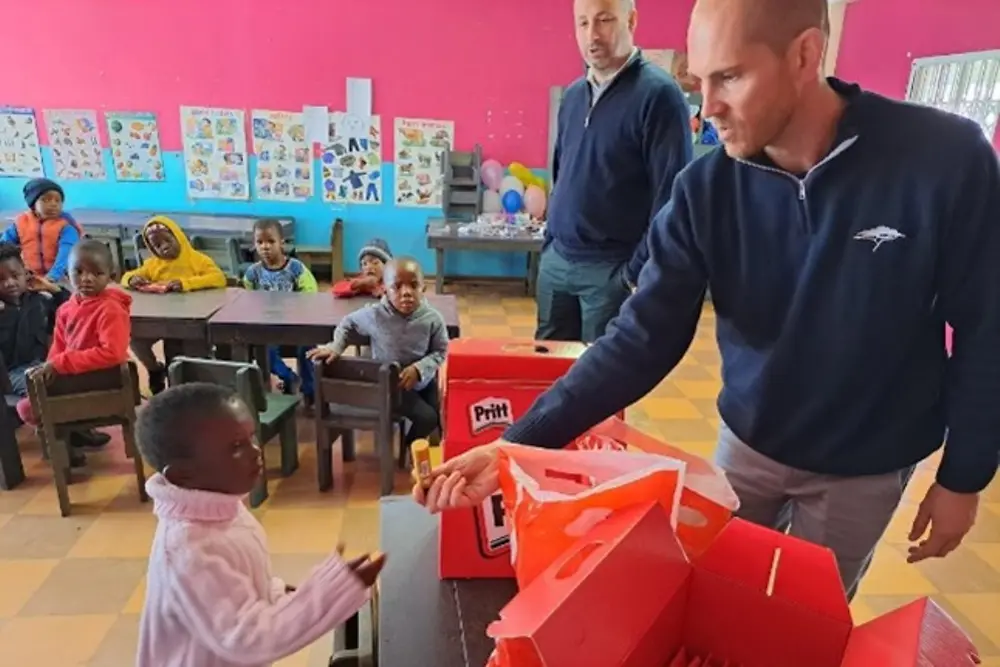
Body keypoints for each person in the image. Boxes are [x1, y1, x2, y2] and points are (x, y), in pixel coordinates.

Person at [414, 0, 1000, 601]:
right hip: (748, 444)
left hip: (864, 466)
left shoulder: (943, 160)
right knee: (715, 598)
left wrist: (964, 476)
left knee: (801, 620)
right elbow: (642, 338)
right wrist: (519, 443)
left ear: (804, 54)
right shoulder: (705, 189)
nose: (707, 107)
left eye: (731, 77)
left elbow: (986, 327)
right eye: (701, 80)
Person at [135, 383, 385, 667]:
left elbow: (245, 584)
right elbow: (247, 639)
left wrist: (291, 593)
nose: (256, 452)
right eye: (236, 447)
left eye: (252, 438)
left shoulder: (221, 508)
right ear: (184, 475)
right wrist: (326, 595)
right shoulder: (188, 549)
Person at [537, 0, 692, 342]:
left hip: (610, 272)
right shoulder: (574, 96)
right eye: (582, 23)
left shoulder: (660, 96)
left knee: (600, 383)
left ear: (632, 20)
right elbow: (561, 173)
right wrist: (549, 244)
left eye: (605, 20)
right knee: (545, 377)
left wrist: (632, 274)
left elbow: (672, 199)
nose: (592, 34)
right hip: (556, 264)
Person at [310, 257, 448, 446]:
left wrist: (419, 368)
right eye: (397, 287)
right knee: (427, 418)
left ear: (423, 288)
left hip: (421, 378)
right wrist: (337, 346)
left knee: (441, 417)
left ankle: (422, 449)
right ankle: (409, 448)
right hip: (392, 383)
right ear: (384, 288)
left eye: (413, 286)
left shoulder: (433, 319)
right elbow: (347, 323)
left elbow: (440, 350)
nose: (406, 293)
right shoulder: (375, 314)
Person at [0, 242, 114, 463]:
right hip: (11, 373)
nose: (10, 283)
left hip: (44, 362)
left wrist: (54, 289)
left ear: (26, 273)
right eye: (1, 279)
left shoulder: (37, 300)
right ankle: (62, 445)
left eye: (15, 275)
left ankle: (77, 430)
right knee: (43, 388)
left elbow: (72, 309)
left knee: (73, 381)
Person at [122, 215, 227, 393]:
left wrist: (186, 284)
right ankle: (154, 368)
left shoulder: (197, 260)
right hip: (161, 318)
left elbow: (219, 278)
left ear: (178, 236)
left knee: (187, 357)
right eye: (157, 245)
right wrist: (132, 279)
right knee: (136, 340)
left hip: (193, 319)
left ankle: (194, 385)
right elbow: (124, 277)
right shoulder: (153, 265)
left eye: (167, 241)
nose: (164, 247)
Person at [243, 219, 318, 404]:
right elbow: (246, 299)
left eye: (270, 242)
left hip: (297, 325)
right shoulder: (253, 273)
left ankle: (310, 391)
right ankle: (289, 377)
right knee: (263, 350)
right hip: (268, 327)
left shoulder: (296, 269)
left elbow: (311, 295)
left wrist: (293, 311)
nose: (265, 247)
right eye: (260, 242)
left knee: (308, 350)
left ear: (282, 243)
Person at [0, 178, 83, 285]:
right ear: (33, 204)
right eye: (46, 200)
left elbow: (66, 254)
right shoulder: (21, 222)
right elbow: (5, 246)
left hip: (60, 278)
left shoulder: (66, 226)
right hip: (28, 276)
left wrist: (52, 277)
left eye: (58, 200)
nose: (53, 204)